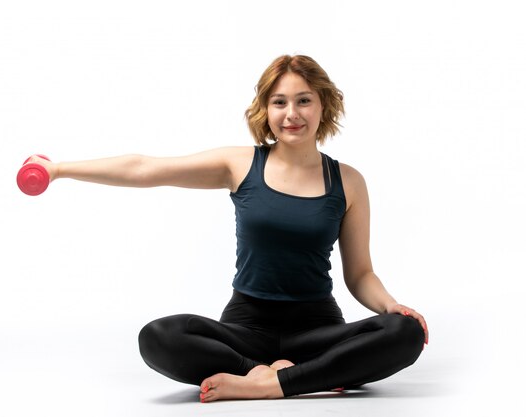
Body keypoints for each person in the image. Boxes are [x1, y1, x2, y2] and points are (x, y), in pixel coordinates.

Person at [26, 55, 428, 403]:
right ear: (265, 110)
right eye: (280, 102)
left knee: (404, 332)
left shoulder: (348, 181)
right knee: (158, 336)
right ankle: (289, 376)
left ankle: (267, 385)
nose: (292, 114)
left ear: (323, 105)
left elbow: (360, 274)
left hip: (317, 330)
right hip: (245, 328)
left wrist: (391, 305)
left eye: (304, 100)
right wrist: (58, 170)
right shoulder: (240, 165)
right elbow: (146, 168)